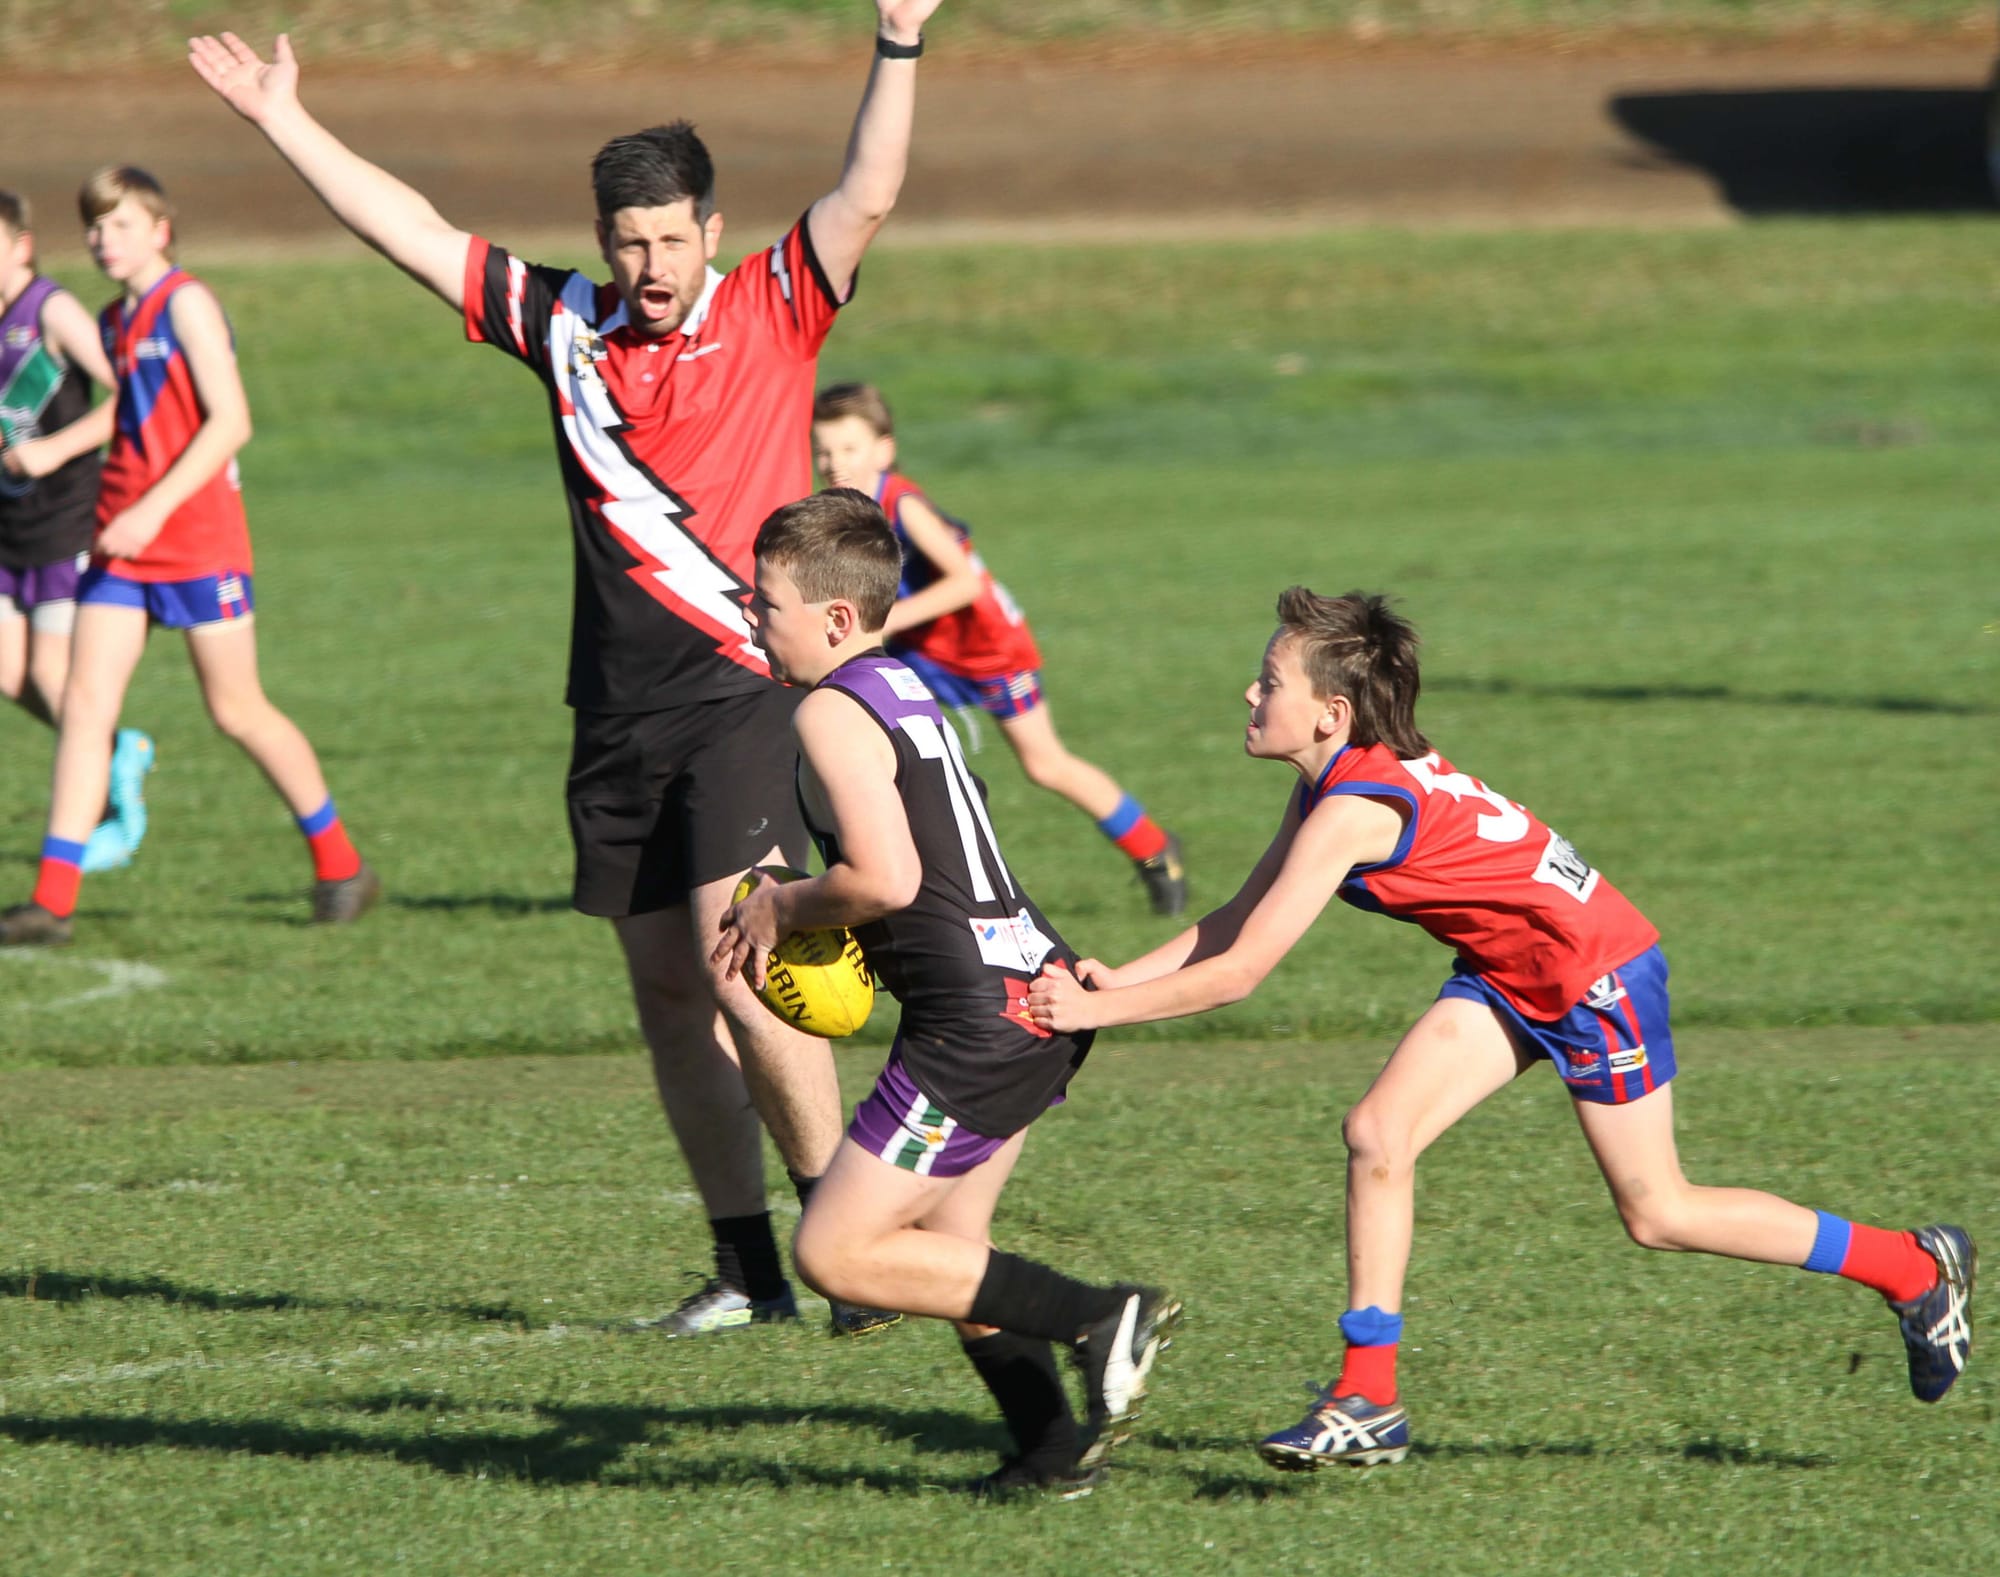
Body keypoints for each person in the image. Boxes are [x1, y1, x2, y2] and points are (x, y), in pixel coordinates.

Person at [186, 8, 938, 1335]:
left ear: (712, 230)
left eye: (670, 237)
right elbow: (406, 229)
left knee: (742, 968)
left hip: (741, 697)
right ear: (605, 244)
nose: (651, 264)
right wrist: (282, 118)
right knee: (663, 990)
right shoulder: (564, 327)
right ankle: (751, 1272)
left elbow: (868, 190)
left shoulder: (773, 302)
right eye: (629, 241)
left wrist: (898, 43)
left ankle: (849, 1250)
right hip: (614, 709)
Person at [1028, 586, 1976, 1471]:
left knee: (1659, 1211)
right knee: (1378, 1132)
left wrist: (1097, 1011)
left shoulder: (1355, 809)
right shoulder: (1328, 783)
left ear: (1330, 714)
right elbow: (1239, 915)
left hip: (1594, 976)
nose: (1250, 689)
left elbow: (1241, 973)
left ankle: (1909, 1263)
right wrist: (1121, 975)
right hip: (1512, 972)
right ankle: (1369, 1400)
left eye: (1270, 680)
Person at [716, 488, 1179, 1497]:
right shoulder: (900, 685)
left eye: (766, 601)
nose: (753, 617)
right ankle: (1050, 1450)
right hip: (1031, 985)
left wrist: (779, 908)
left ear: (834, 618)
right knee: (946, 1248)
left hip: (972, 1025)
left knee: (835, 1251)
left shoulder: (830, 709)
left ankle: (1099, 1314)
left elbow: (882, 877)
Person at [0, 167, 376, 947]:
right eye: (96, 227)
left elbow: (231, 422)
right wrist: (121, 511)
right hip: (121, 542)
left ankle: (341, 864)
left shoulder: (189, 304)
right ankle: (50, 902)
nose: (105, 239)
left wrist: (151, 510)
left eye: (122, 225)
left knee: (236, 710)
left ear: (160, 231)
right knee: (84, 706)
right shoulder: (111, 321)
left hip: (195, 539)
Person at [811, 382, 1186, 916]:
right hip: (923, 651)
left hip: (988, 647)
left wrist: (884, 620)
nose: (833, 463)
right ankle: (896, 879)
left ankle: (1155, 851)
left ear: (884, 450)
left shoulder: (904, 504)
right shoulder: (844, 507)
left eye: (848, 449)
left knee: (1045, 764)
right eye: (822, 450)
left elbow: (964, 583)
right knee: (888, 751)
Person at [0, 190, 155, 874]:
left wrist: (55, 449)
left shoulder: (51, 311)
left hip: (66, 517)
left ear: (21, 246)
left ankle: (103, 771)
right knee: (9, 671)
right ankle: (112, 749)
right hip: (7, 525)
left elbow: (128, 395)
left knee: (47, 670)